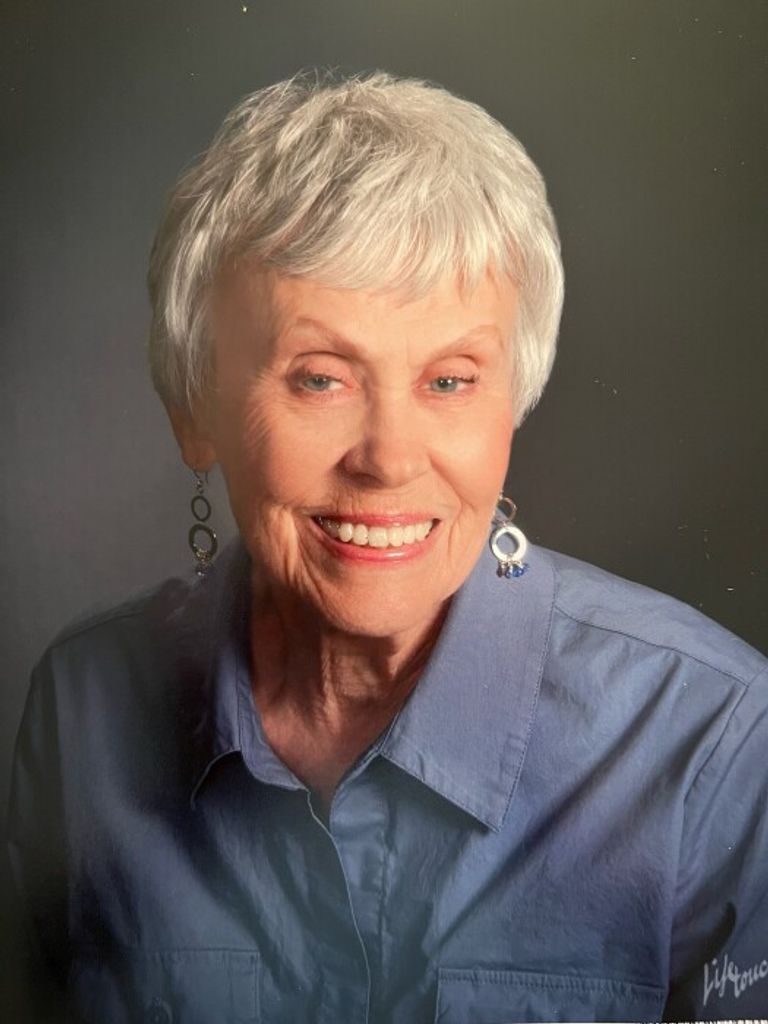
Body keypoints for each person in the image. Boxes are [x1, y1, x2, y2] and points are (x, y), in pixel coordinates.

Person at [7, 71, 767, 1024]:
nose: (390, 460)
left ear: (512, 404)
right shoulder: (83, 707)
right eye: (320, 379)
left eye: (450, 381)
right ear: (193, 409)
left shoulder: (712, 741)